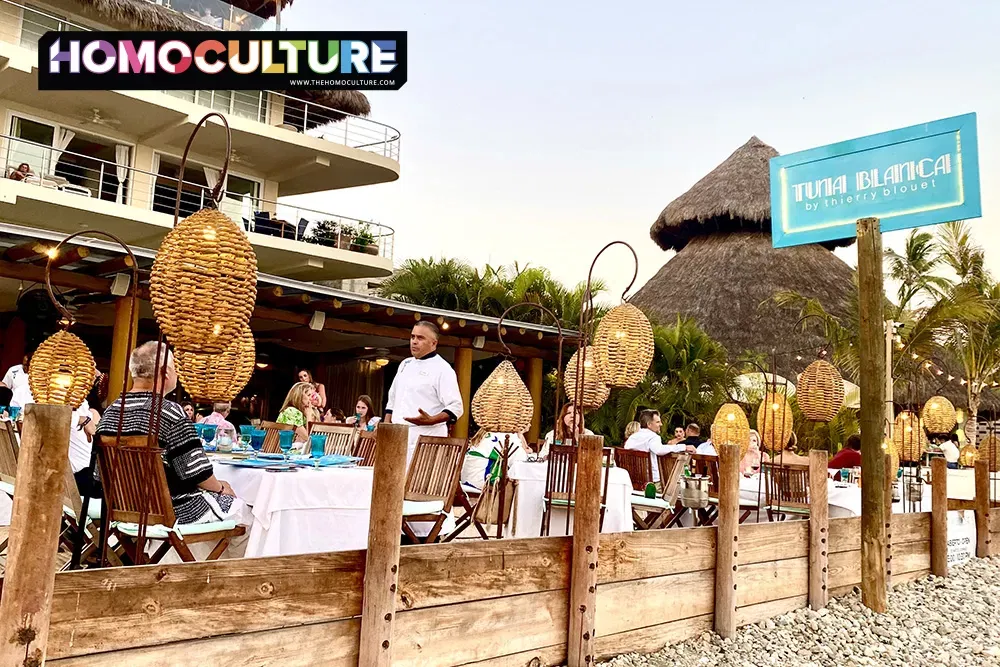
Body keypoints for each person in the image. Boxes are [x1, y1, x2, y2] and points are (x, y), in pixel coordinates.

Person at [96, 342, 243, 527]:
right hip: (174, 510)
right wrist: (221, 488)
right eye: (175, 369)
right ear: (165, 372)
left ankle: (177, 556)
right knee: (244, 514)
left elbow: (98, 475)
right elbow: (198, 474)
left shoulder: (110, 412)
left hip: (122, 510)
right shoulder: (169, 412)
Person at [384, 322, 464, 467]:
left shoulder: (443, 369)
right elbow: (393, 399)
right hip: (398, 437)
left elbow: (456, 407)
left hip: (426, 438)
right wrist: (386, 427)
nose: (414, 341)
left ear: (434, 343)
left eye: (420, 338)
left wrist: (431, 420)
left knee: (418, 486)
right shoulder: (405, 364)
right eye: (412, 337)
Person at [625, 409, 695, 485]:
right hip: (651, 483)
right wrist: (683, 447)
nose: (661, 424)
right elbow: (659, 450)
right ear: (649, 424)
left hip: (632, 480)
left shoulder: (632, 438)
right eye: (658, 422)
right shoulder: (653, 437)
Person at [461, 428, 529, 492]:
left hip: (467, 477)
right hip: (481, 480)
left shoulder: (487, 431)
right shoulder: (506, 435)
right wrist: (520, 435)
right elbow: (520, 460)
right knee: (520, 481)